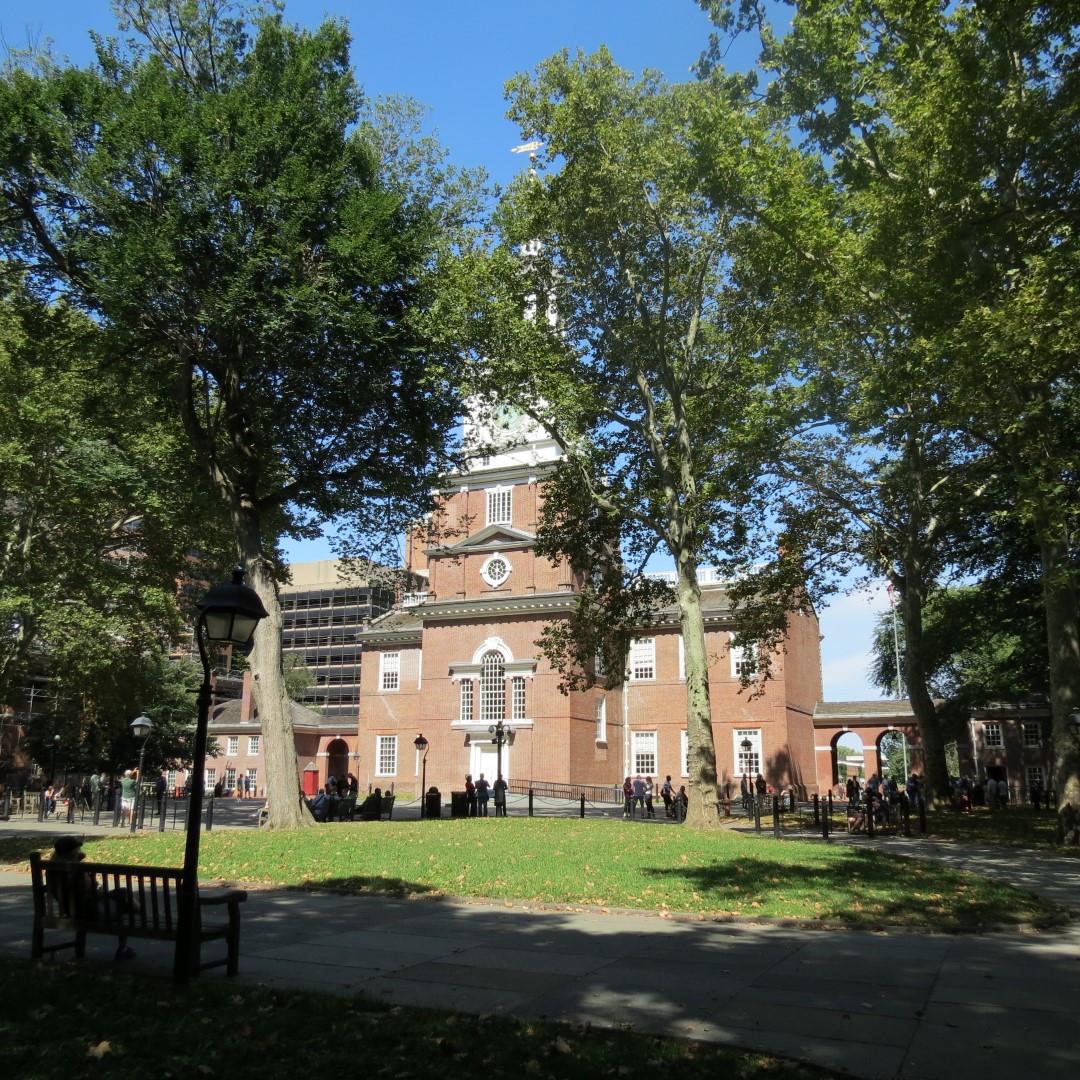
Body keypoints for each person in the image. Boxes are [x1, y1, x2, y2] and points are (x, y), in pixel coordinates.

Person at [51, 836, 136, 959]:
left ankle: (137, 912)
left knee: (120, 896)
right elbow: (93, 888)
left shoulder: (52, 870)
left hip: (71, 911)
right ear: (74, 853)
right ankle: (123, 948)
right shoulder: (78, 870)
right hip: (90, 912)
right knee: (121, 895)